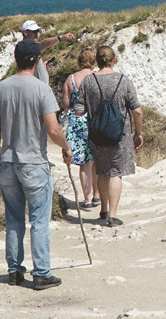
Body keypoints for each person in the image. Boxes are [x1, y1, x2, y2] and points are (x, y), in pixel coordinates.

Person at [0, 39, 73, 290]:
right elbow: (53, 129)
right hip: (33, 162)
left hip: (8, 161)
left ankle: (15, 271)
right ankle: (41, 273)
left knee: (14, 218)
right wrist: (66, 147)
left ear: (15, 59)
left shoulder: (1, 88)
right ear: (37, 60)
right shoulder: (41, 89)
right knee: (38, 219)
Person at [75, 46, 143, 227]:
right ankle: (113, 215)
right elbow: (137, 111)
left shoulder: (89, 81)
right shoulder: (123, 80)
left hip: (96, 134)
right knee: (116, 172)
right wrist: (138, 133)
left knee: (102, 170)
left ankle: (103, 209)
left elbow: (79, 110)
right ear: (114, 60)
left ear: (96, 61)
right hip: (119, 135)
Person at [61, 49, 100, 211]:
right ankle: (97, 195)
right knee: (95, 160)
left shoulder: (71, 79)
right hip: (96, 120)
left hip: (78, 122)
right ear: (94, 61)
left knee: (84, 163)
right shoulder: (97, 77)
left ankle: (87, 200)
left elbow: (66, 104)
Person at [21, 20, 76, 84]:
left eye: (37, 31)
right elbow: (43, 44)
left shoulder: (29, 47)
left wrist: (42, 66)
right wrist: (60, 37)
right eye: (34, 31)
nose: (36, 34)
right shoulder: (25, 46)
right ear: (25, 33)